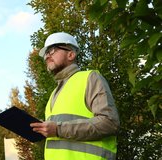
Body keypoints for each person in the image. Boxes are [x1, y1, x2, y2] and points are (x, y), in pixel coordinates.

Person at [30, 32, 120, 160]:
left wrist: (58, 129)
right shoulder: (53, 95)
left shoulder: (90, 78)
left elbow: (109, 123)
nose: (47, 56)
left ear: (71, 54)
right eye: (46, 53)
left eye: (52, 50)